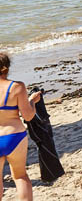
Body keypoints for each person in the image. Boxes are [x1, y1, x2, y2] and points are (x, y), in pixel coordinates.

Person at [0, 53, 40, 201]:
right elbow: (28, 116)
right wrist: (32, 101)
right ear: (6, 68)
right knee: (20, 176)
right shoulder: (17, 86)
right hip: (14, 136)